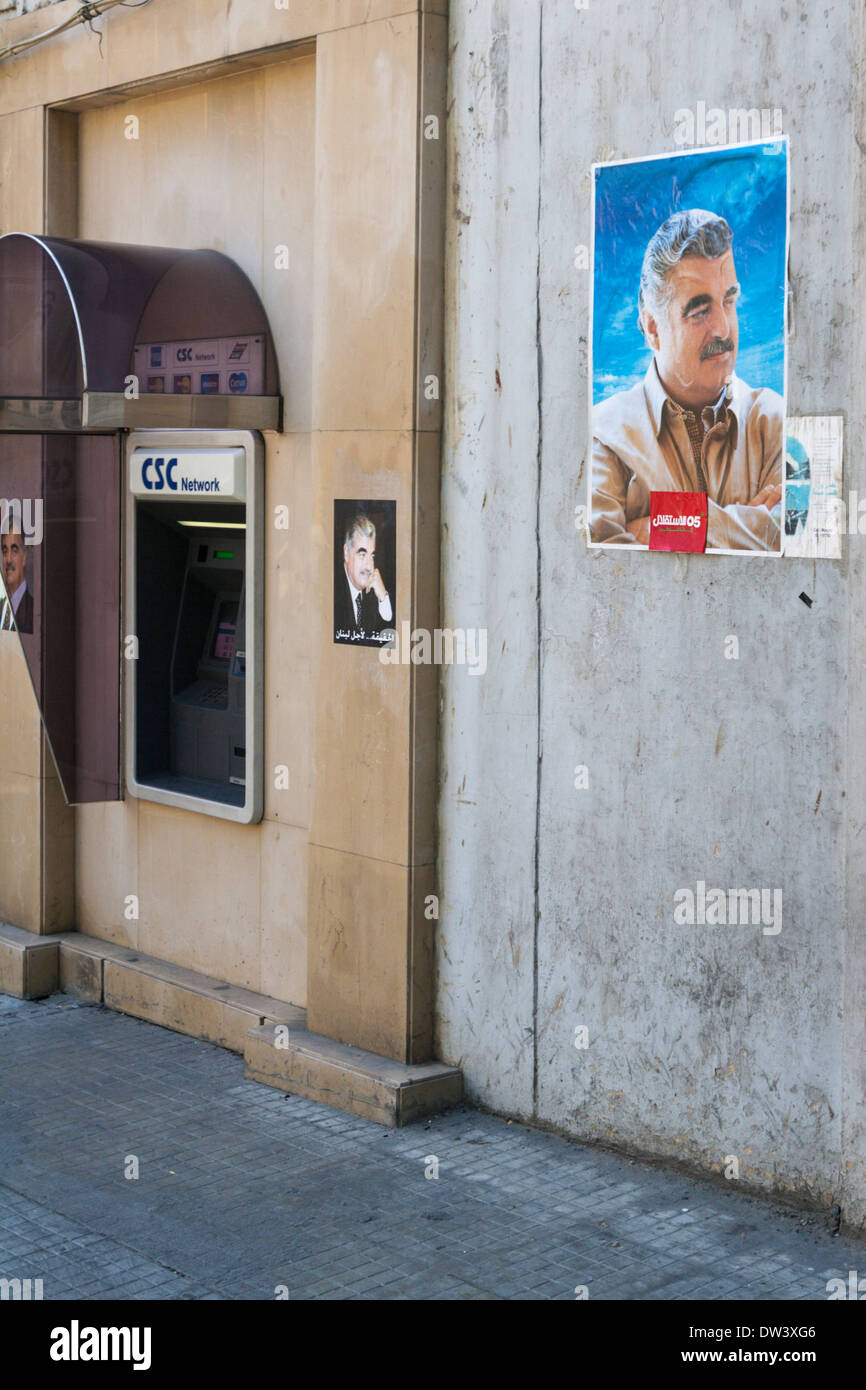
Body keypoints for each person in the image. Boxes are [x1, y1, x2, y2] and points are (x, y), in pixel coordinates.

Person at [590, 208, 784, 552]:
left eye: (729, 300)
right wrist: (749, 528)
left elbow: (811, 540)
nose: (723, 328)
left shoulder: (776, 423)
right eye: (699, 312)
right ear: (653, 328)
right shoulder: (603, 436)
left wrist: (658, 526)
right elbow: (600, 566)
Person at [335, 514, 393, 641]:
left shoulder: (372, 588)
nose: (369, 566)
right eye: (362, 554)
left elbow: (388, 638)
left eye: (371, 556)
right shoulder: (333, 588)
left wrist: (383, 598)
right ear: (346, 552)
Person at [0, 527, 33, 633]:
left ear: (24, 556)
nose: (8, 559)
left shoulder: (32, 611)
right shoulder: (2, 604)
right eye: (5, 551)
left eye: (14, 551)